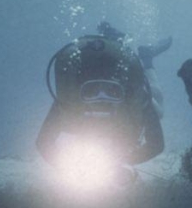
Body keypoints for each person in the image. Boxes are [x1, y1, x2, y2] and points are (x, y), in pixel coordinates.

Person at [36, 22, 172, 169]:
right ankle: (116, 40)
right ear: (80, 92)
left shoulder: (135, 98)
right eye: (91, 92)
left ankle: (146, 59)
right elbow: (44, 143)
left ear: (123, 92)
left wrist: (124, 161)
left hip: (128, 114)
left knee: (157, 104)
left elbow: (156, 145)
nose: (101, 99)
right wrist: (69, 166)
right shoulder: (68, 102)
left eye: (112, 92)